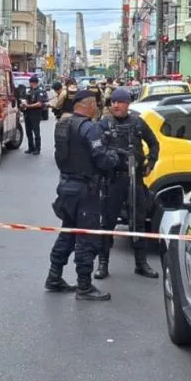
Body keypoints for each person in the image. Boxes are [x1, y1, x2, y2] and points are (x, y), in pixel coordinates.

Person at [46, 89, 124, 301]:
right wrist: (116, 158)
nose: (97, 109)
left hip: (66, 185)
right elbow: (102, 159)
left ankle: (54, 277)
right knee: (87, 237)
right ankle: (84, 286)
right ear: (88, 105)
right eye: (95, 105)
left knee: (68, 233)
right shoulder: (89, 128)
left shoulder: (63, 125)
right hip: (85, 189)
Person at [96, 88, 160, 280]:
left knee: (138, 221)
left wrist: (151, 162)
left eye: (120, 102)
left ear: (127, 104)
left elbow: (154, 143)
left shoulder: (138, 123)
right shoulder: (104, 124)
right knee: (107, 223)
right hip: (113, 180)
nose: (116, 105)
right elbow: (97, 151)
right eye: (113, 102)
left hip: (136, 180)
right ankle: (102, 264)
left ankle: (141, 264)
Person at [20, 74, 48, 154]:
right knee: (28, 131)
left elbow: (39, 104)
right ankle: (31, 147)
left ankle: (37, 148)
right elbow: (26, 99)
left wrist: (29, 106)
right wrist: (23, 104)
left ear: (34, 83)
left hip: (35, 113)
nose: (30, 84)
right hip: (28, 113)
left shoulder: (39, 91)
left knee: (36, 131)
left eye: (30, 83)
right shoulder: (30, 91)